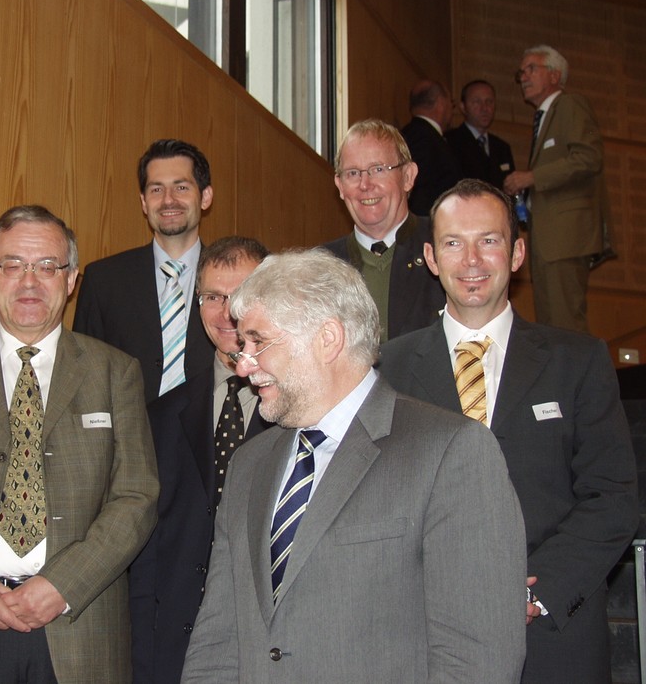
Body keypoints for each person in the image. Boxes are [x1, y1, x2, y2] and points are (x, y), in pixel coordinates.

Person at [181, 249, 527, 682]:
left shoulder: (451, 452)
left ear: (328, 339)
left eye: (258, 341)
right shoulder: (249, 463)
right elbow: (218, 639)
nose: (244, 362)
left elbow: (478, 661)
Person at [379, 179, 638, 683]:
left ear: (518, 253)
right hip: (423, 638)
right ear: (432, 257)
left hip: (554, 640)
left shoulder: (579, 362)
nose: (472, 260)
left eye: (489, 240)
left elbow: (612, 497)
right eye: (454, 243)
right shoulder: (387, 368)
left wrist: (533, 594)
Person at [0, 205, 159, 684]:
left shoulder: (116, 372)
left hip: (80, 627)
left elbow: (136, 498)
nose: (30, 281)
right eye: (13, 264)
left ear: (72, 278)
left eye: (47, 267)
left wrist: (63, 585)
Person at [129, 236, 272, 684]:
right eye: (212, 297)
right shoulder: (158, 417)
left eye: (241, 295)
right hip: (176, 652)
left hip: (271, 647)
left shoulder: (303, 415)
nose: (226, 313)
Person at [73, 139, 216, 403]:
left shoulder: (233, 282)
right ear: (143, 202)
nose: (168, 200)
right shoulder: (103, 281)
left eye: (181, 187)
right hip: (126, 438)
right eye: (156, 189)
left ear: (205, 197)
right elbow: (83, 377)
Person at [503, 45, 610, 333]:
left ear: (555, 74)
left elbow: (589, 158)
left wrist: (531, 178)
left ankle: (573, 379)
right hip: (548, 240)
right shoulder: (544, 117)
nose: (523, 77)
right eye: (521, 72)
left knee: (565, 323)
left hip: (566, 236)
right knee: (552, 325)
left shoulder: (570, 105)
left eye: (531, 69)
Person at [322, 119, 443, 342]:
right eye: (353, 173)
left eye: (378, 169)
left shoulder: (444, 247)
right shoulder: (318, 268)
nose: (365, 184)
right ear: (339, 186)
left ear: (408, 177)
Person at [400, 79, 462, 216]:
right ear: (441, 103)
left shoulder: (413, 133)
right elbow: (416, 189)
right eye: (451, 102)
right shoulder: (422, 137)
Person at [446, 79, 516, 190]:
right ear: (463, 107)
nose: (484, 108)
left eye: (489, 102)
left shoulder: (502, 147)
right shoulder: (450, 142)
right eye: (476, 102)